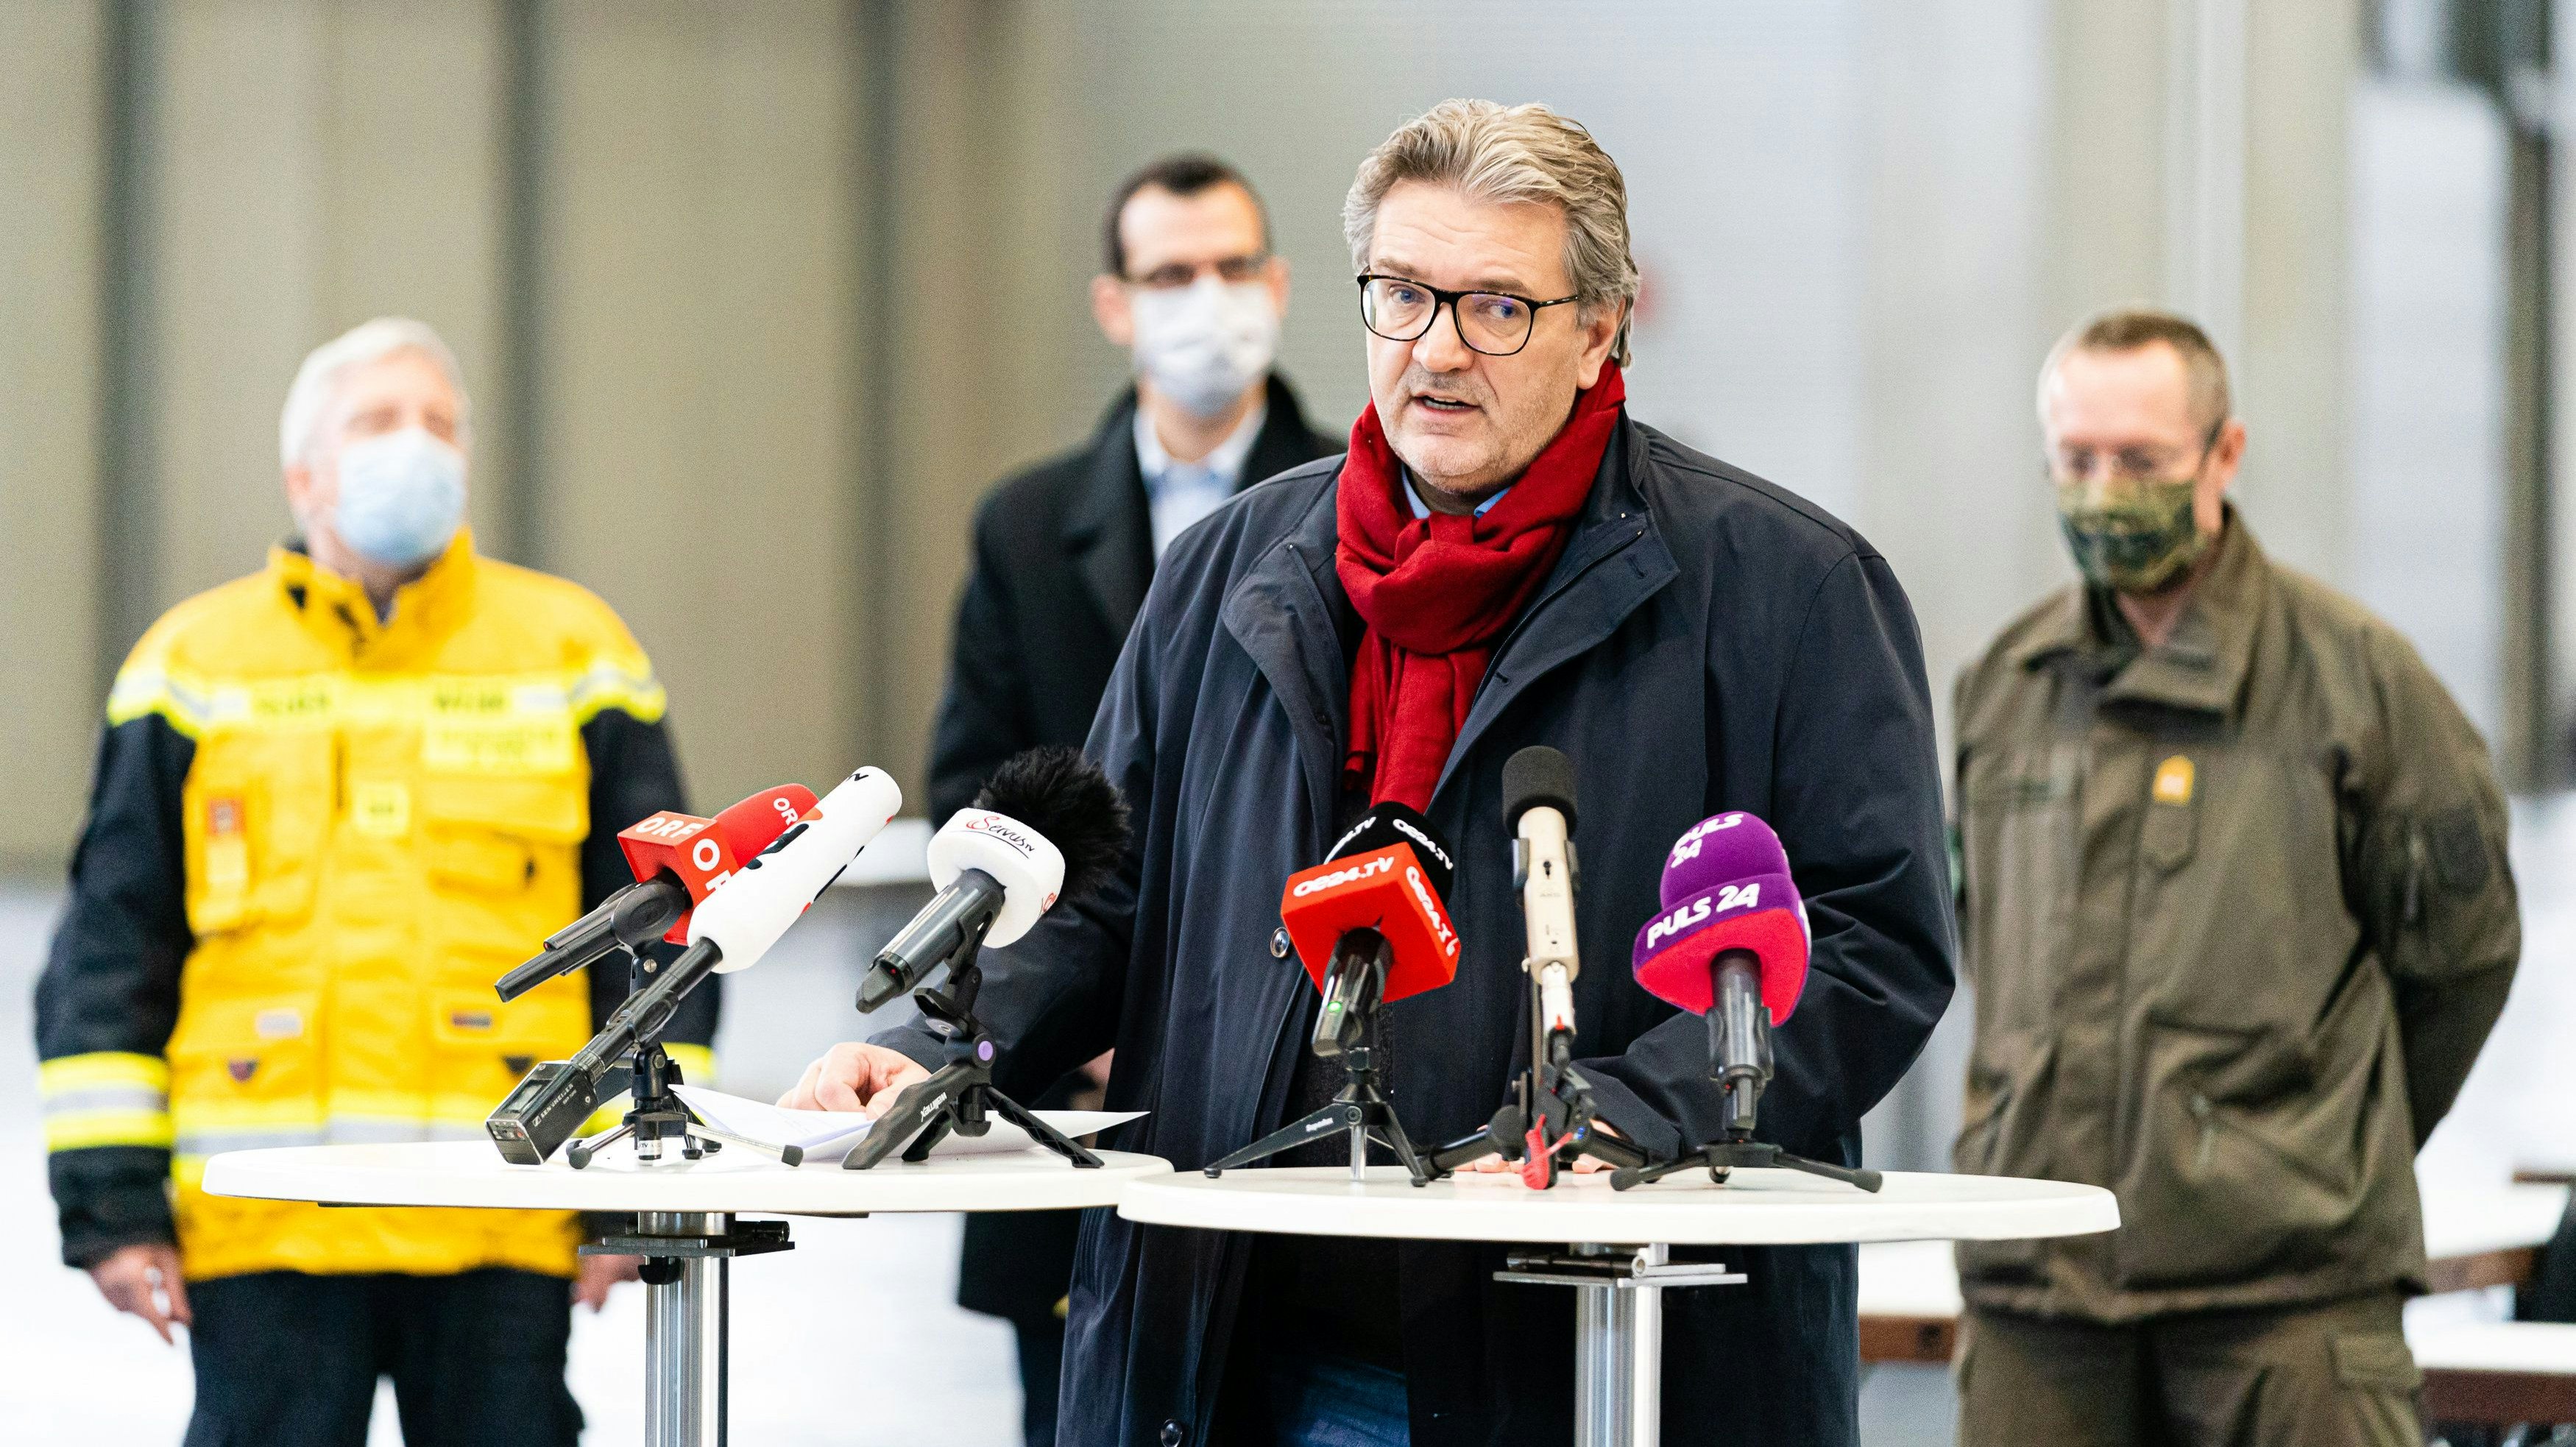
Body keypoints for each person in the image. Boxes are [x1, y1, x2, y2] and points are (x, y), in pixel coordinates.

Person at [788, 100, 1954, 1445]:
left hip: (1604, 1350)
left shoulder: (1786, 592)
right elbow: (1098, 891)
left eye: (1497, 308)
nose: (1438, 351)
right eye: (1402, 295)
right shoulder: (1232, 572)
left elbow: (1867, 941)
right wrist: (935, 1046)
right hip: (1230, 1348)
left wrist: (1636, 1112)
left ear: (1601, 327)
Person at [36, 317, 719, 1446]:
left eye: (441, 423)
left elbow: (674, 938)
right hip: (268, 1219)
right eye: (379, 421)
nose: (419, 445)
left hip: (507, 1209)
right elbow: (113, 944)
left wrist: (639, 1186)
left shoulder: (574, 651)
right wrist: (109, 1206)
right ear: (305, 471)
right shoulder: (191, 666)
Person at [1948, 307, 2521, 1446]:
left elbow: (2462, 957)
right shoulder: (2003, 686)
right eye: (2079, 460)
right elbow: (1985, 937)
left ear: (2225, 455)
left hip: (2287, 1301)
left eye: (2144, 461)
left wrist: (2307, 1141)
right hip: (2040, 1294)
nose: (2107, 490)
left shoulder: (2358, 679)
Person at [927, 152, 1335, 1447]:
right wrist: (1074, 1011)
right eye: (1170, 274)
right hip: (1062, 1089)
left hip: (1283, 1080)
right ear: (1116, 305)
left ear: (1278, 286)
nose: (1203, 300)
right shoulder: (1030, 524)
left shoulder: (1361, 507)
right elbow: (972, 792)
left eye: (1229, 268)